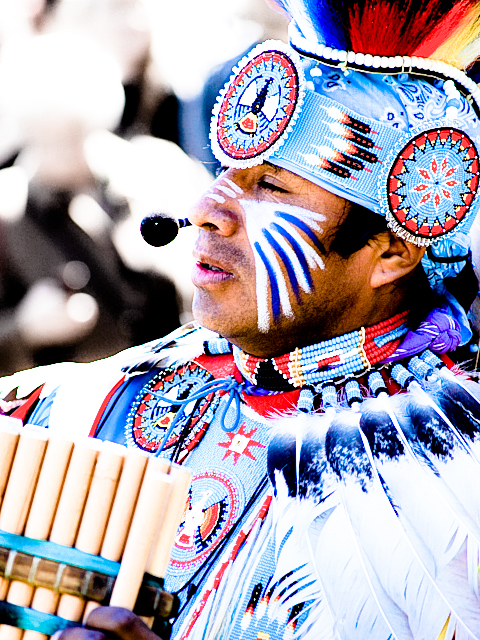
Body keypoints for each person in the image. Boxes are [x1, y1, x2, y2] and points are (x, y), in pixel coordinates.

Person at [1, 0, 480, 639]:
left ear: (390, 253)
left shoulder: (458, 484)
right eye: (226, 171)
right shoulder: (88, 406)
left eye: (272, 188)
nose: (208, 207)